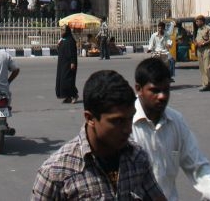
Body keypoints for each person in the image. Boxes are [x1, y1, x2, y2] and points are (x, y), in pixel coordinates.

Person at [32, 69, 167, 200]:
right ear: (90, 118)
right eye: (118, 121)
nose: (128, 129)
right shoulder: (56, 172)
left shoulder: (137, 158)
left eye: (130, 118)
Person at [132, 56, 210, 201]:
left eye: (166, 90)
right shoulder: (125, 125)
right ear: (139, 89)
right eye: (155, 90)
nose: (162, 96)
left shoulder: (176, 121)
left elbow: (197, 165)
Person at [193, 15, 210, 91]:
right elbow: (197, 38)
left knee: (208, 67)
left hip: (206, 49)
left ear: (202, 21)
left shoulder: (208, 29)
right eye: (196, 21)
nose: (196, 23)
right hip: (199, 50)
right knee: (202, 68)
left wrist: (204, 43)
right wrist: (196, 43)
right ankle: (206, 85)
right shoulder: (198, 30)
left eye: (198, 21)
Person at [56, 24, 78, 103]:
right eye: (61, 30)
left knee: (68, 80)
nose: (62, 31)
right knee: (62, 80)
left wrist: (73, 62)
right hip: (62, 63)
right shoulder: (62, 40)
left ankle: (74, 95)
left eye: (63, 30)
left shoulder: (71, 40)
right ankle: (67, 96)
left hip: (69, 63)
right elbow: (60, 51)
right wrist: (58, 46)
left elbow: (73, 53)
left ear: (67, 31)